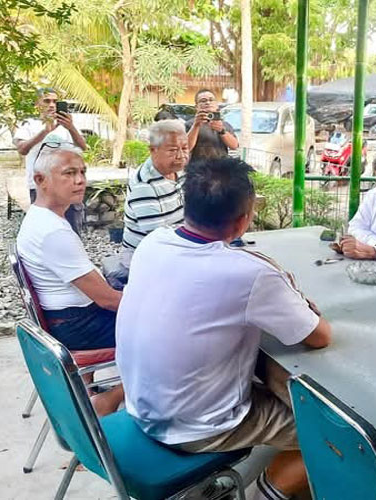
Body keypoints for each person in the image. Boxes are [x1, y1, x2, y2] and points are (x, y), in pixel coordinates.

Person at [116, 157, 332, 500]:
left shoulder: (153, 242)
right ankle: (263, 494)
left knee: (270, 377)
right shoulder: (251, 273)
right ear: (244, 220)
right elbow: (319, 337)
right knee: (332, 437)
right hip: (196, 426)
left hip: (144, 405)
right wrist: (292, 296)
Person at [15, 144, 123, 415]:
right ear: (40, 180)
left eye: (83, 172)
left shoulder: (39, 217)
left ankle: (85, 390)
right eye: (69, 173)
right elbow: (108, 301)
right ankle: (109, 399)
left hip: (63, 318)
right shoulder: (52, 232)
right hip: (77, 326)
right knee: (167, 330)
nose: (80, 180)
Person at [13, 88, 88, 235]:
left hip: (68, 186)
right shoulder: (28, 124)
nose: (52, 105)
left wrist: (71, 127)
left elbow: (83, 147)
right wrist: (45, 132)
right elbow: (22, 149)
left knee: (71, 229)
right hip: (41, 187)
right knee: (44, 230)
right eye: (47, 101)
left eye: (55, 101)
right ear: (37, 104)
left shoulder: (66, 125)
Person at [120, 119, 190, 271]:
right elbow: (158, 239)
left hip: (177, 243)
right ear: (153, 150)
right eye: (172, 150)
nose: (181, 155)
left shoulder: (179, 171)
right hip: (146, 254)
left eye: (185, 148)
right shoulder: (144, 185)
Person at [185, 88, 239, 160]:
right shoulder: (190, 124)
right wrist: (196, 126)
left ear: (217, 105)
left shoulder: (225, 125)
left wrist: (222, 131)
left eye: (211, 100)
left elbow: (234, 146)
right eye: (203, 101)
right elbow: (186, 147)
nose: (208, 103)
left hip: (222, 164)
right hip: (198, 165)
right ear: (196, 107)